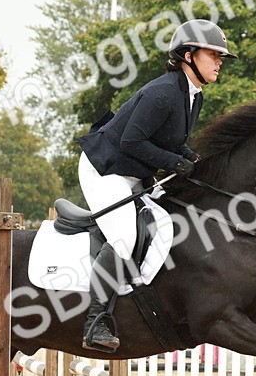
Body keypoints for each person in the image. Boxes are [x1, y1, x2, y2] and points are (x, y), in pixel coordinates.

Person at [74, 18, 234, 352]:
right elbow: (133, 141)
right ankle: (94, 322)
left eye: (221, 56)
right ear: (188, 55)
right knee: (126, 235)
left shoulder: (192, 95)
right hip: (105, 169)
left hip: (133, 171)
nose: (220, 61)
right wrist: (176, 162)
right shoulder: (162, 94)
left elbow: (172, 141)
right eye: (213, 54)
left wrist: (195, 160)